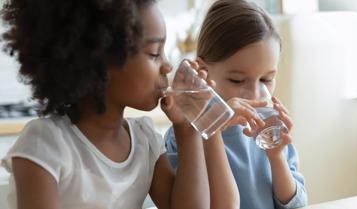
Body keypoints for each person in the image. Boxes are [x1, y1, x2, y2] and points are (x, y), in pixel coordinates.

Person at [0, 0, 239, 209]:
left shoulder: (145, 141)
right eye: (155, 53)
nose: (167, 66)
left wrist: (187, 129)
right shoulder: (46, 144)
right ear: (101, 60)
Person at [165, 0, 308, 209]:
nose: (255, 93)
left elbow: (297, 205)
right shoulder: (186, 134)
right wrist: (213, 121)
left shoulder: (269, 128)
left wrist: (277, 159)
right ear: (203, 73)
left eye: (266, 79)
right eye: (237, 81)